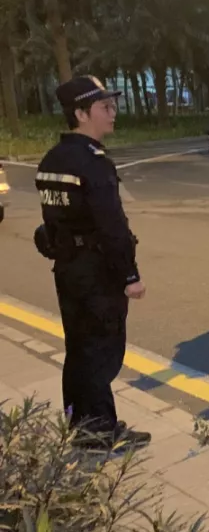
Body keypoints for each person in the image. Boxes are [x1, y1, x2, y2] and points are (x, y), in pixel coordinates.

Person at [34, 76, 150, 450]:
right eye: (104, 107)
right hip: (98, 272)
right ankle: (100, 431)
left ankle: (80, 424)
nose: (112, 113)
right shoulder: (93, 163)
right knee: (101, 352)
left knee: (79, 348)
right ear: (81, 114)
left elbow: (50, 223)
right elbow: (112, 227)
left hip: (68, 268)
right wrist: (130, 275)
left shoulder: (51, 159)